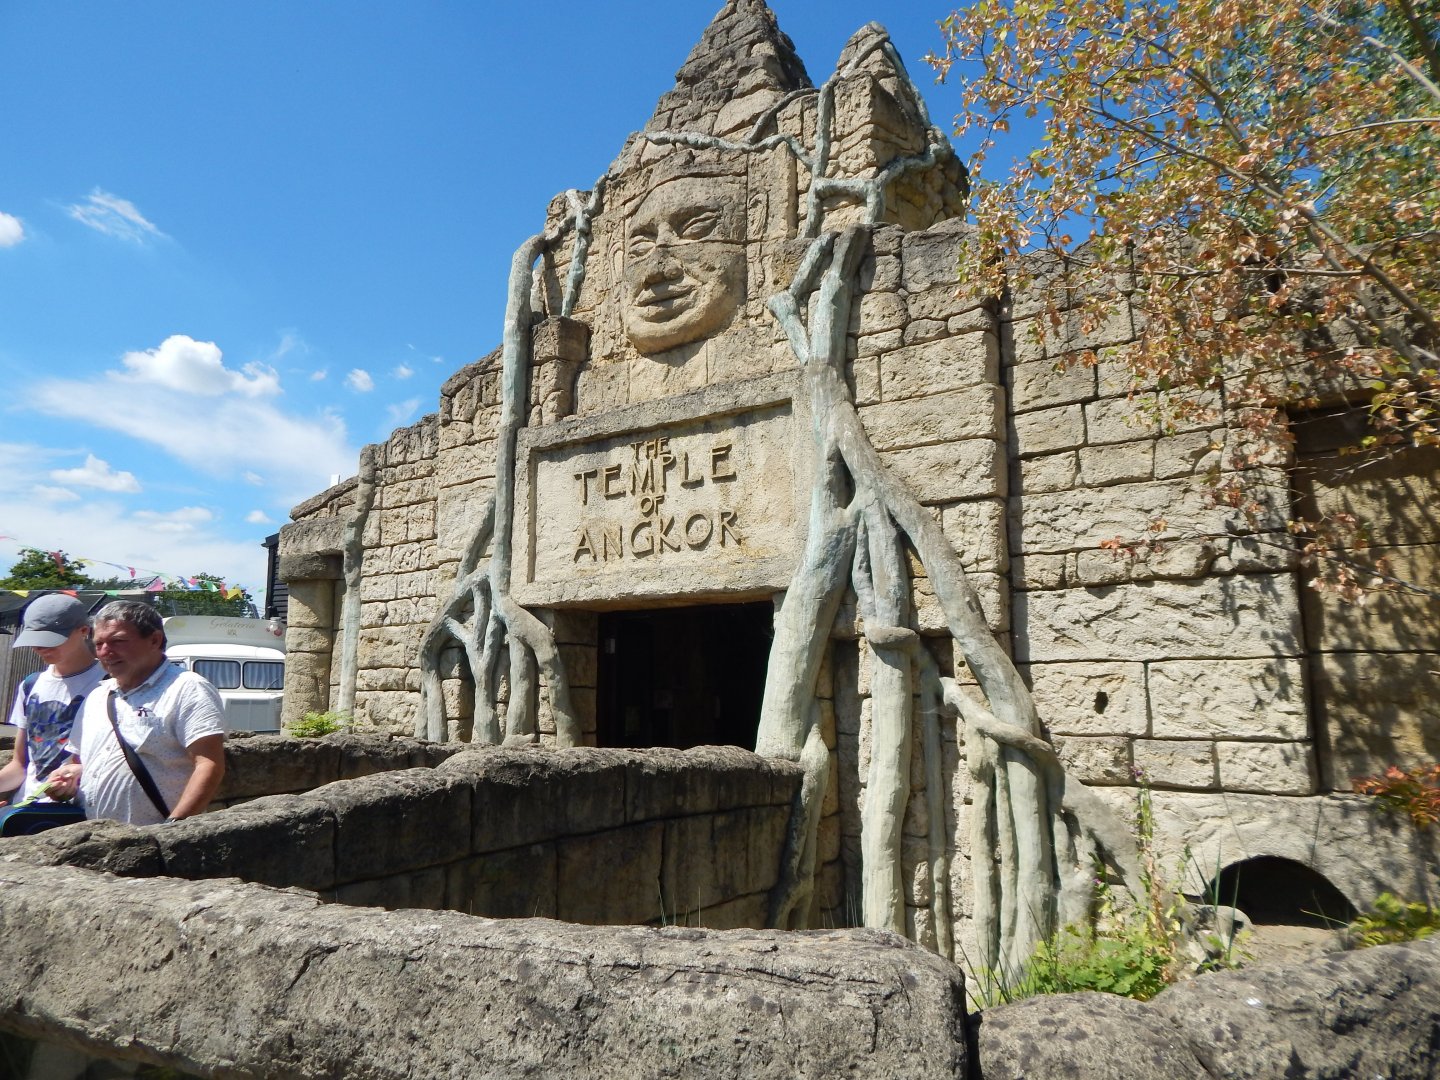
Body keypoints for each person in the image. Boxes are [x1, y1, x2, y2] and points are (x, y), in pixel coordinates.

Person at [46, 600, 225, 825]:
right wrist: (69, 777)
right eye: (98, 644)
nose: (105, 652)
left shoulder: (187, 688)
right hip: (94, 836)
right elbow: (80, 760)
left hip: (155, 838)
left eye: (118, 641)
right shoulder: (98, 696)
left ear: (154, 640)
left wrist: (173, 829)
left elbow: (209, 764)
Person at [0, 594, 106, 806]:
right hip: (26, 809)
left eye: (51, 639)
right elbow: (20, 765)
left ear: (83, 631)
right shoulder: (30, 685)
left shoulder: (110, 683)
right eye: (35, 639)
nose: (40, 647)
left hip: (82, 810)